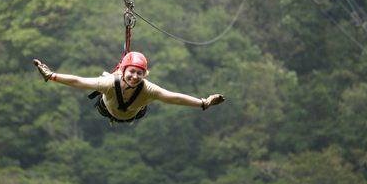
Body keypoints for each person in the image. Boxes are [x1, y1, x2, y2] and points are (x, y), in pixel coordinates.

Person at [32, 52, 225, 123]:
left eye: (139, 73)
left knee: (141, 99)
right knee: (104, 81)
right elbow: (80, 81)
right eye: (131, 72)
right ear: (124, 70)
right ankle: (112, 73)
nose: (135, 76)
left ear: (145, 74)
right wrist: (52, 76)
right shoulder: (109, 84)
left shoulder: (149, 89)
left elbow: (174, 97)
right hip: (107, 109)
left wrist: (204, 103)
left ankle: (115, 75)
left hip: (135, 112)